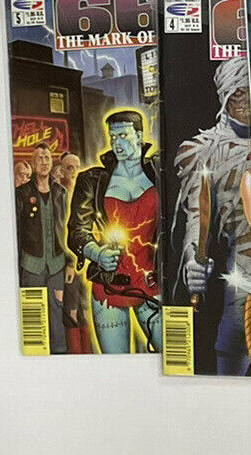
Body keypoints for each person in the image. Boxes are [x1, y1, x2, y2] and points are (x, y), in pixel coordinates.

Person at [174, 58, 251, 376]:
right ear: (224, 95)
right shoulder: (204, 150)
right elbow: (197, 215)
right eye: (236, 93)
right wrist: (193, 260)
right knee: (234, 341)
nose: (244, 102)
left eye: (249, 92)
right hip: (242, 267)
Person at [67, 109, 161, 354]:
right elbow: (77, 230)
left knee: (174, 358)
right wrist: (97, 254)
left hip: (153, 281)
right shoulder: (93, 180)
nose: (117, 143)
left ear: (139, 136)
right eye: (113, 137)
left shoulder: (159, 173)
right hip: (109, 283)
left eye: (123, 136)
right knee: (116, 364)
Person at [14, 144, 71, 353]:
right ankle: (35, 358)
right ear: (33, 162)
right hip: (31, 264)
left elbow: (67, 230)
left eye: (47, 157)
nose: (44, 162)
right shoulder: (21, 193)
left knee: (57, 309)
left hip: (57, 264)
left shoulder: (61, 193)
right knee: (33, 313)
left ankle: (59, 353)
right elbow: (17, 232)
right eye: (39, 158)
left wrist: (70, 262)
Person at [58, 153, 92, 353]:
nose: (74, 171)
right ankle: (76, 354)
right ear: (62, 170)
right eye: (69, 168)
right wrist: (69, 261)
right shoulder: (59, 195)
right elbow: (59, 232)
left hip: (86, 260)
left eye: (77, 167)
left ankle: (88, 354)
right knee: (71, 310)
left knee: (84, 310)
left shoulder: (85, 191)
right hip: (68, 261)